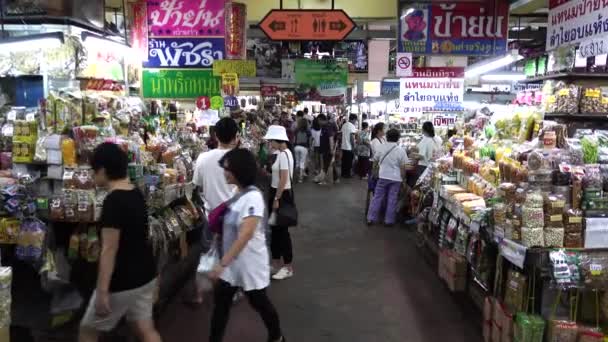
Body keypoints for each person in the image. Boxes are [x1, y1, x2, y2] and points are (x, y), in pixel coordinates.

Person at [80, 143, 161, 342]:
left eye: (94, 171)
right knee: (145, 329)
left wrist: (102, 291)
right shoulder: (136, 193)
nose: (92, 176)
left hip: (123, 281)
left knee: (88, 331)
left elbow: (109, 250)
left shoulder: (113, 202)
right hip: (145, 274)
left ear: (103, 171)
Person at [209, 148, 285, 342]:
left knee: (259, 302)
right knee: (221, 306)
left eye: (227, 169)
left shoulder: (253, 197)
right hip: (233, 265)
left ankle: (277, 336)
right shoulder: (238, 193)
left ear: (239, 171)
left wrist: (222, 263)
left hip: (249, 264)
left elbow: (246, 235)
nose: (224, 172)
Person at [191, 118, 239, 304]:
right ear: (236, 136)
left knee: (207, 252)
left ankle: (199, 294)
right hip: (235, 215)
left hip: (211, 215)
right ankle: (231, 291)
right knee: (232, 254)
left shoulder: (203, 158)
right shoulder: (241, 158)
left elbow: (197, 185)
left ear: (215, 135)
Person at [263, 125, 295, 280]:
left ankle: (288, 267)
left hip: (281, 195)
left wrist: (276, 198)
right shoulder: (282, 153)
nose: (270, 143)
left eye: (271, 141)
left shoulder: (283, 155)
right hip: (277, 194)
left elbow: (283, 178)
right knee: (275, 231)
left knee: (282, 233)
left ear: (278, 140)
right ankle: (276, 264)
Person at [366, 129, 409, 227]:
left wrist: (374, 172)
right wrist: (404, 179)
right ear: (398, 138)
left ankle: (371, 218)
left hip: (383, 177)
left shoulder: (381, 148)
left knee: (377, 197)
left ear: (387, 137)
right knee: (392, 199)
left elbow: (375, 161)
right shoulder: (401, 150)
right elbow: (403, 168)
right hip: (396, 179)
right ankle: (389, 221)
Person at [315, 114, 338, 185]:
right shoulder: (324, 127)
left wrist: (331, 149)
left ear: (321, 120)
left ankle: (324, 180)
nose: (318, 122)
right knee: (329, 164)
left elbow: (330, 137)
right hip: (325, 149)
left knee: (326, 165)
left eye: (318, 120)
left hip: (327, 149)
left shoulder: (327, 126)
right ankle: (335, 179)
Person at [294, 115, 311, 183]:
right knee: (302, 162)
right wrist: (309, 147)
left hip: (296, 147)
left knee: (297, 162)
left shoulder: (296, 130)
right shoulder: (308, 131)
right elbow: (309, 140)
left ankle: (296, 175)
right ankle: (300, 178)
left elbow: (294, 139)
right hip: (304, 147)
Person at [340, 114, 358, 179]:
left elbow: (341, 135)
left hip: (343, 146)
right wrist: (353, 147)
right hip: (349, 147)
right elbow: (352, 138)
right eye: (356, 120)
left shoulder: (344, 125)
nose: (355, 121)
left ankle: (343, 173)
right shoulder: (352, 126)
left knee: (344, 161)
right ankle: (347, 174)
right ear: (353, 119)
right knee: (349, 162)